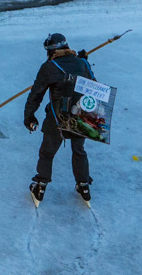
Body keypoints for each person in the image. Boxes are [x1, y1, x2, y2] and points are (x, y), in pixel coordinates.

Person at [24, 32, 96, 204]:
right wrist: (84, 61)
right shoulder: (82, 62)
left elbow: (36, 94)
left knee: (47, 153)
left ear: (50, 50)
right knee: (79, 151)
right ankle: (84, 185)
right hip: (81, 115)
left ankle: (40, 186)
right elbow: (94, 86)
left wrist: (29, 116)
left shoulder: (49, 66)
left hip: (57, 118)